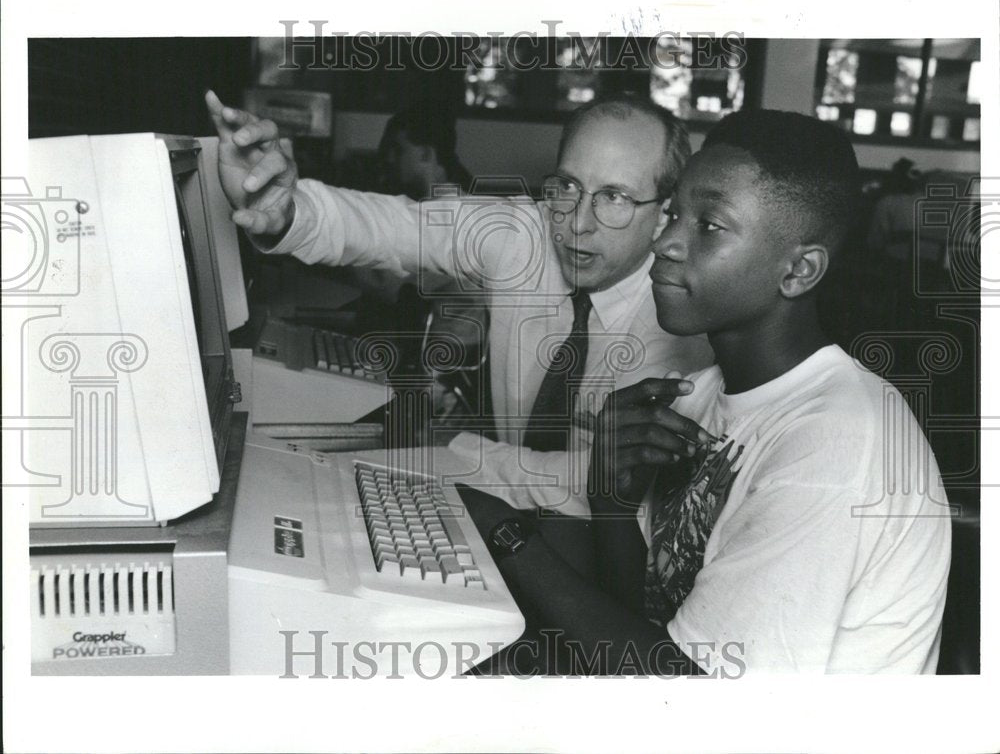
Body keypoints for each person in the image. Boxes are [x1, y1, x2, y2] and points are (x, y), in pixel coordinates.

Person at [456, 109, 952, 675]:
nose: (665, 243)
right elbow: (643, 623)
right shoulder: (697, 394)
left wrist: (506, 535)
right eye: (672, 215)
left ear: (799, 270)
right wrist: (611, 503)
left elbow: (696, 704)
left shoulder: (836, 441)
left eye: (708, 225)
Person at [205, 89, 713, 520]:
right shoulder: (523, 232)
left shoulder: (684, 321)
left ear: (666, 211)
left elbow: (603, 482)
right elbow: (391, 226)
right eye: (569, 187)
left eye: (616, 198)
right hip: (501, 513)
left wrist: (455, 459)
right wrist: (289, 209)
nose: (578, 222)